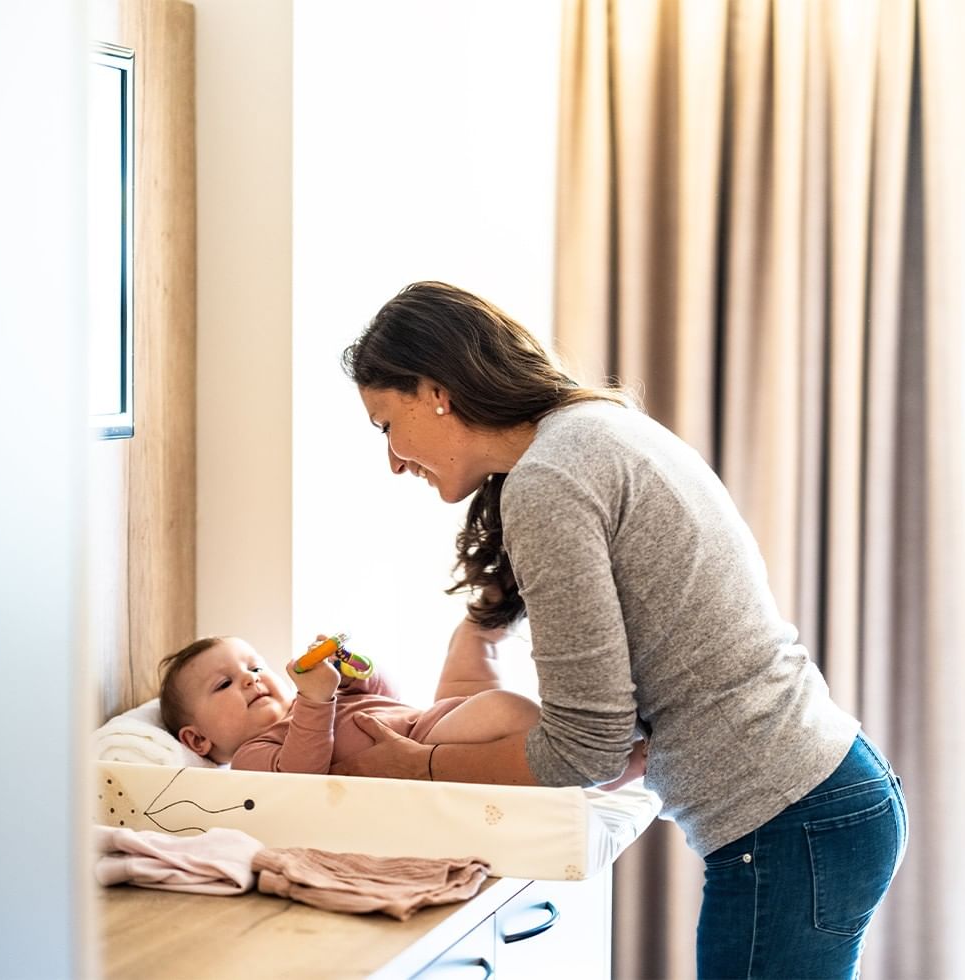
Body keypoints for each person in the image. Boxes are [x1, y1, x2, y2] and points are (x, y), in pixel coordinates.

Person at [334, 280, 908, 977]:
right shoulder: (590, 433)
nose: (393, 460)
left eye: (385, 424)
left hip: (790, 819)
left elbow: (585, 751)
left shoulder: (552, 477)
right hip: (823, 794)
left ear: (435, 391)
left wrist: (416, 767)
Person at [157, 618, 540, 772]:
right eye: (224, 684)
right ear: (197, 739)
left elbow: (391, 698)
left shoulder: (308, 705)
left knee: (504, 710)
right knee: (504, 710)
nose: (250, 680)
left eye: (255, 667)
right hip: (421, 744)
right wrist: (316, 702)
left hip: (427, 723)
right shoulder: (250, 757)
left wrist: (351, 674)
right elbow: (301, 774)